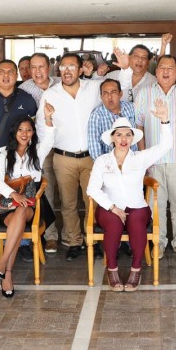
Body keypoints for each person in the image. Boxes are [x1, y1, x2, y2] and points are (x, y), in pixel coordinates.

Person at [38, 52, 127, 261]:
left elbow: (116, 88)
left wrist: (125, 69)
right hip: (63, 157)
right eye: (63, 67)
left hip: (91, 157)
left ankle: (92, 240)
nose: (66, 71)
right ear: (58, 71)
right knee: (68, 203)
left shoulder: (94, 88)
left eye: (71, 67)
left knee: (92, 201)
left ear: (80, 70)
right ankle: (73, 241)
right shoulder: (50, 95)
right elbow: (42, 129)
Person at [87, 99, 171, 291]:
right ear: (113, 138)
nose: (123, 139)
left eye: (128, 135)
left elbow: (165, 146)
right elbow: (92, 189)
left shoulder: (140, 158)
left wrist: (165, 120)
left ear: (132, 139)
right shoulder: (102, 161)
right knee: (115, 222)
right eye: (119, 135)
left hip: (137, 206)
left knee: (137, 221)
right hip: (109, 207)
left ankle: (136, 269)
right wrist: (113, 207)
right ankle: (113, 270)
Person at [131, 54, 176, 258]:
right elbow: (138, 125)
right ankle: (159, 241)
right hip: (154, 158)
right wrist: (144, 156)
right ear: (156, 72)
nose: (165, 71)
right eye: (162, 67)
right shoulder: (144, 93)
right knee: (157, 203)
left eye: (170, 68)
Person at [0, 103, 55, 297]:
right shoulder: (4, 154)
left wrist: (49, 118)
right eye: (21, 130)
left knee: (21, 213)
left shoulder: (37, 152)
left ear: (33, 133)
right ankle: (6, 272)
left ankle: (2, 264)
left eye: (29, 130)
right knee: (16, 229)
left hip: (31, 204)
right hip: (8, 204)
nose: (25, 133)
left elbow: (50, 139)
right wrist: (14, 195)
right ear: (15, 132)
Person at [18, 52, 62, 252]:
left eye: (41, 67)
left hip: (66, 145)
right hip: (42, 148)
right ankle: (50, 235)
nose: (37, 72)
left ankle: (76, 237)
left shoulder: (61, 83)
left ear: (50, 67)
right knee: (48, 191)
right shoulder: (24, 90)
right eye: (32, 67)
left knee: (71, 195)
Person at [87, 79, 136, 160]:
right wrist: (109, 168)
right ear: (101, 96)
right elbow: (94, 149)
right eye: (105, 93)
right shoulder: (97, 115)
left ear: (120, 94)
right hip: (109, 167)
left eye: (113, 92)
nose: (109, 97)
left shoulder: (131, 108)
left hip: (133, 162)